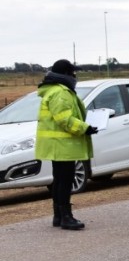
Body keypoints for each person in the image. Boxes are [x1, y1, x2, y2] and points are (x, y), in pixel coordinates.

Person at [34, 59, 98, 230]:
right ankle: (66, 217)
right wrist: (85, 128)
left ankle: (58, 215)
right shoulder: (61, 93)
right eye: (72, 72)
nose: (75, 76)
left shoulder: (53, 90)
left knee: (59, 179)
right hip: (63, 145)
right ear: (65, 74)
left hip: (56, 145)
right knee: (65, 180)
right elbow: (65, 120)